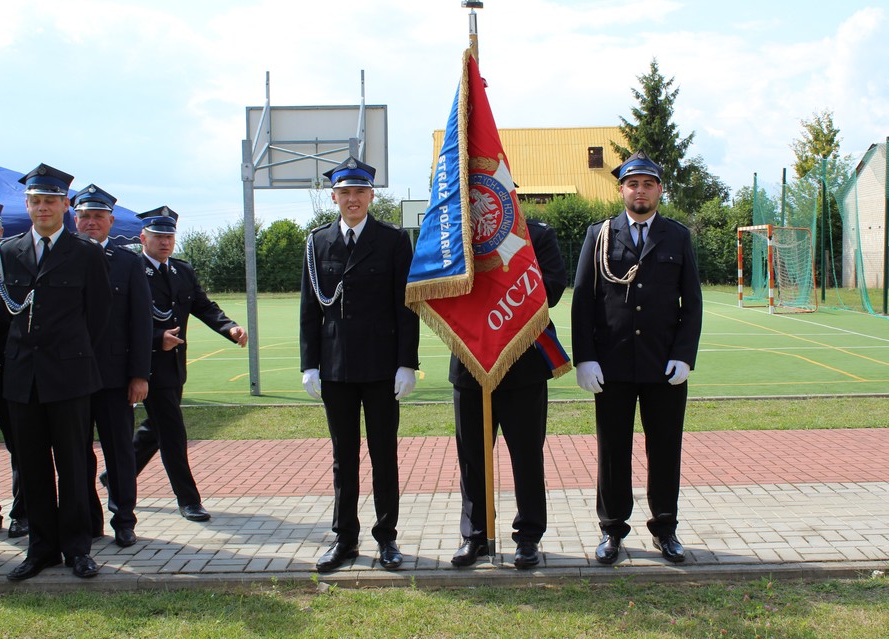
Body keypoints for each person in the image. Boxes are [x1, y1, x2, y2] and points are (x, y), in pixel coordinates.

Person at [571, 150, 703, 565]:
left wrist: (684, 356)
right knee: (613, 451)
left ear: (660, 189)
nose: (640, 191)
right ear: (622, 189)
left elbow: (693, 303)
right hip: (612, 365)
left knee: (665, 449)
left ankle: (665, 529)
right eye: (633, 184)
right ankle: (612, 530)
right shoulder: (601, 234)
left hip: (663, 365)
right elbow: (583, 301)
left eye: (648, 184)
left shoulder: (677, 236)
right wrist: (585, 358)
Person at [300, 156, 420, 572]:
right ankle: (344, 539)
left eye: (360, 191)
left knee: (384, 455)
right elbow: (309, 309)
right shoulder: (317, 242)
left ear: (371, 195)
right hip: (335, 368)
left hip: (382, 367)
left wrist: (407, 363)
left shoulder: (391, 240)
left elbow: (407, 307)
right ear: (333, 197)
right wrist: (309, 364)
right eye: (345, 192)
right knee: (343, 457)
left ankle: (387, 538)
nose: (353, 199)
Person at [0, 163, 112, 580]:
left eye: (50, 200)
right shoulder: (8, 251)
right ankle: (40, 548)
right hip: (22, 378)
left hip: (69, 376)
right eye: (35, 201)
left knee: (72, 463)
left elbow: (98, 317)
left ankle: (77, 548)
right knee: (32, 465)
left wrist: (72, 358)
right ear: (27, 205)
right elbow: (5, 315)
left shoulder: (84, 253)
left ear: (65, 205)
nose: (42, 207)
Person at [449, 219, 566, 570]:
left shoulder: (539, 235)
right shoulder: (456, 236)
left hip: (524, 366)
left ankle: (528, 537)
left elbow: (555, 289)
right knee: (472, 457)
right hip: (472, 361)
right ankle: (475, 536)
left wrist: (509, 281)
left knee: (527, 457)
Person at [129, 206, 247, 522]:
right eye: (158, 236)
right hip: (141, 364)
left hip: (172, 366)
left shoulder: (182, 272)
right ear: (143, 237)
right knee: (173, 432)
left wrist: (229, 327)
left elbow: (203, 306)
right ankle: (189, 500)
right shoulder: (131, 269)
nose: (165, 242)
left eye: (169, 236)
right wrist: (157, 338)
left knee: (156, 428)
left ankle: (117, 477)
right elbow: (120, 320)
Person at [73, 185, 151, 548]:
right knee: (76, 452)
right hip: (69, 377)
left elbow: (140, 322)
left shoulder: (128, 262)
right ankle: (88, 520)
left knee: (119, 450)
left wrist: (139, 374)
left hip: (115, 377)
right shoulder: (62, 257)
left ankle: (123, 518)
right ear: (74, 220)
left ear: (110, 221)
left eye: (98, 217)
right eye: (84, 217)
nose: (91, 223)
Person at [0, 202, 30, 539]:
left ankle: (22, 513)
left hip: (11, 372)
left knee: (22, 448)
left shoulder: (12, 267)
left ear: (0, 231)